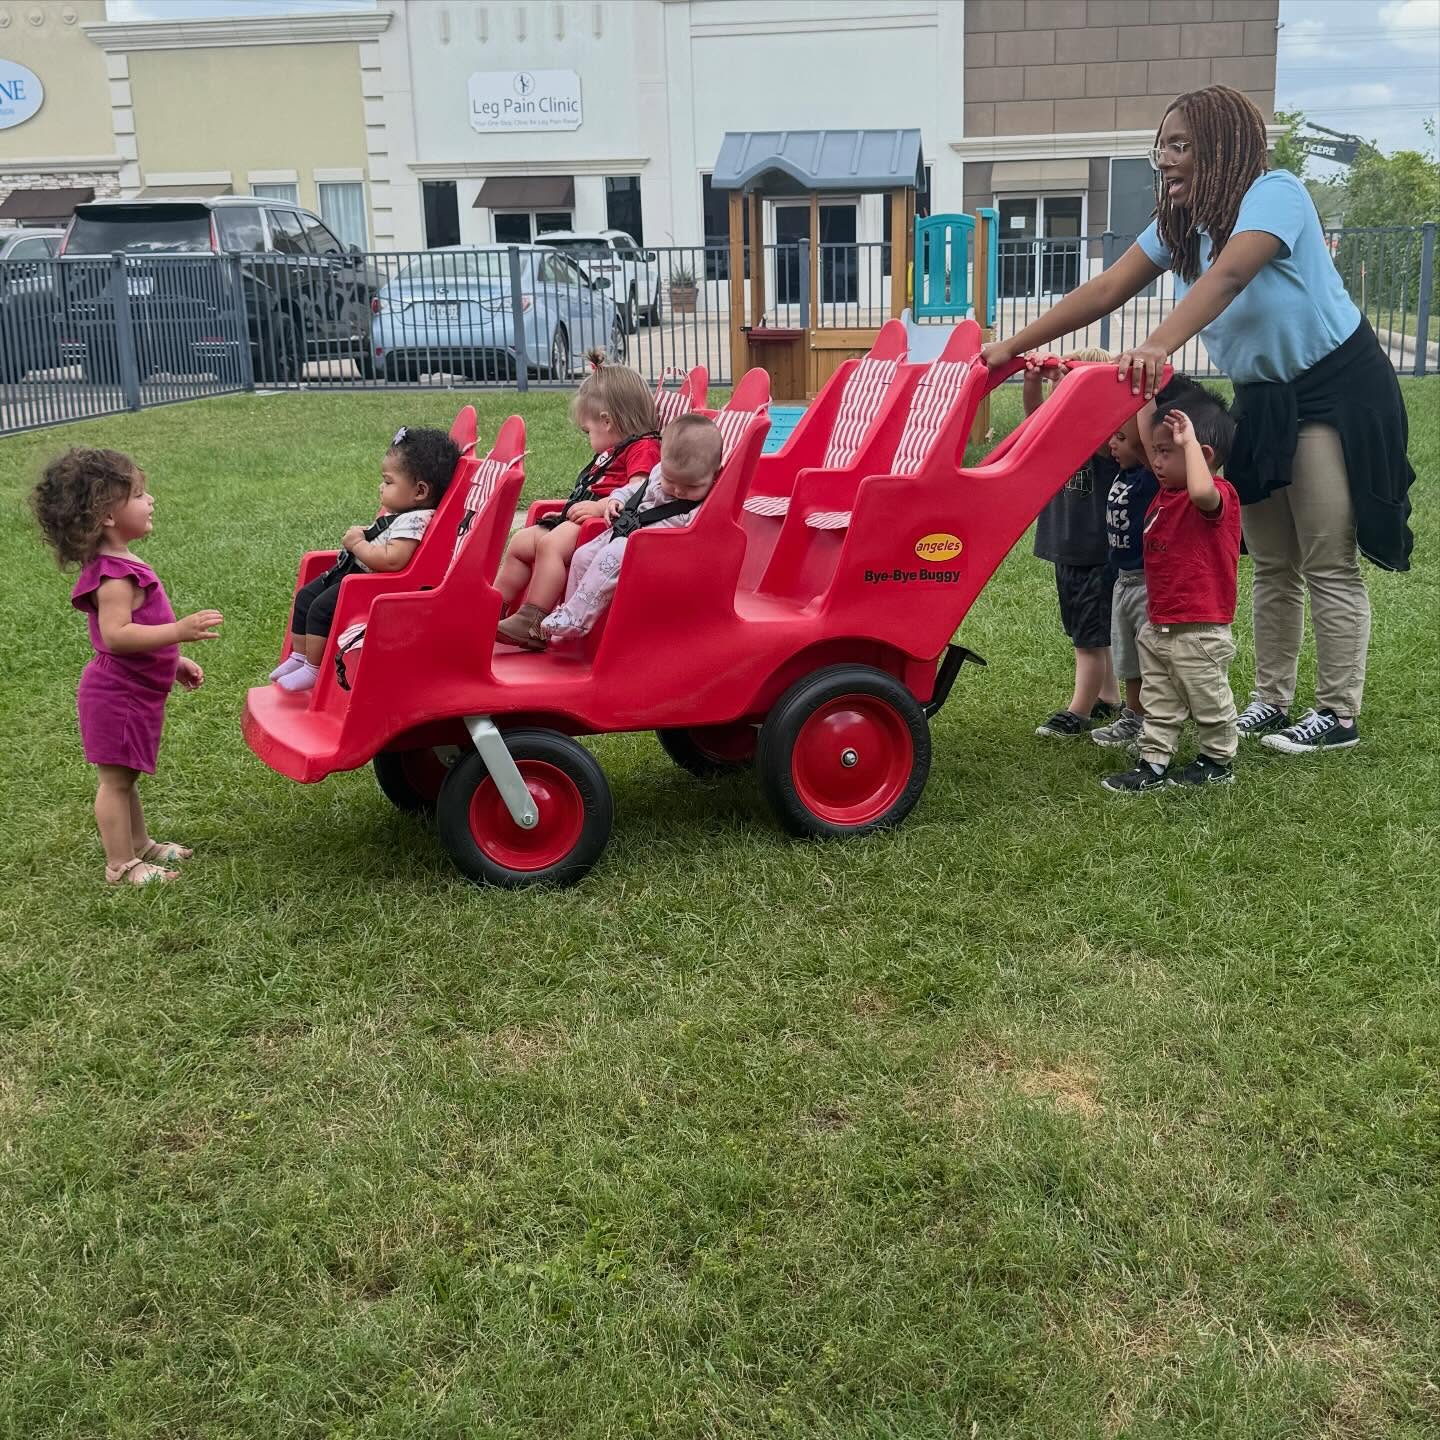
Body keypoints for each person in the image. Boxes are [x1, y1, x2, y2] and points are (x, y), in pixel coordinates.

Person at [981, 84, 1414, 755]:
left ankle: (1338, 714)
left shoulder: (1276, 193)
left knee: (1325, 553)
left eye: (1181, 145)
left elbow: (1234, 275)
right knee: (1271, 558)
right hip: (1265, 395)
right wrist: (1011, 347)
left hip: (1336, 387)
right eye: (1165, 146)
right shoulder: (1183, 226)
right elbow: (1104, 289)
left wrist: (1159, 344)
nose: (1167, 159)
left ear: (1222, 147)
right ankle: (1271, 701)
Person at [31, 448, 223, 886]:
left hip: (133, 691)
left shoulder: (122, 563)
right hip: (117, 694)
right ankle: (121, 865)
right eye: (138, 493)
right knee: (115, 782)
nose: (150, 499)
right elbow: (117, 635)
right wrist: (178, 631)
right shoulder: (114, 575)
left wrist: (173, 661)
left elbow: (140, 630)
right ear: (107, 514)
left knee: (127, 775)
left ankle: (141, 845)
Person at [1101, 394, 1241, 792]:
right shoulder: (1165, 494)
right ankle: (1154, 762)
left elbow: (1202, 493)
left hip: (1200, 630)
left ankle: (1217, 759)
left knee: (1208, 699)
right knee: (1158, 700)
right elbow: (1146, 441)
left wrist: (1189, 444)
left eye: (1165, 452)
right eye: (1155, 452)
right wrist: (1143, 394)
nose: (1155, 461)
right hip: (1158, 622)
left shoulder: (1218, 495)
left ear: (1202, 452)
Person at [499, 413, 723, 651]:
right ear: (662, 464)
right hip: (626, 529)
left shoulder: (708, 502)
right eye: (670, 480)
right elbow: (635, 490)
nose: (678, 490)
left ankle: (576, 619)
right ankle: (569, 612)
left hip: (656, 548)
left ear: (715, 474)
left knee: (614, 553)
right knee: (582, 556)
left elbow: (700, 537)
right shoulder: (659, 473)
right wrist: (615, 500)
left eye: (691, 486)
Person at [272, 425, 459, 693]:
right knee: (305, 597)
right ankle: (298, 657)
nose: (380, 487)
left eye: (388, 481)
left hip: (373, 585)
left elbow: (393, 560)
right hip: (356, 575)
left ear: (419, 491)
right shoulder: (402, 513)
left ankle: (313, 669)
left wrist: (358, 544)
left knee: (320, 609)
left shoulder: (415, 519)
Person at [494, 349, 660, 631]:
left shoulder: (643, 447)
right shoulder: (615, 448)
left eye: (588, 430)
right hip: (583, 519)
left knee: (550, 546)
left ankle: (533, 620)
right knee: (522, 542)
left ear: (607, 421)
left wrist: (598, 506)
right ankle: (491, 609)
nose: (588, 437)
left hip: (606, 526)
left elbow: (639, 491)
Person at [1091, 374, 1207, 751]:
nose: (1113, 444)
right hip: (1122, 581)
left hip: (1147, 583)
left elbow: (1143, 435)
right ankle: (1134, 715)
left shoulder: (1152, 475)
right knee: (1127, 657)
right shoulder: (1118, 470)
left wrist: (1143, 393)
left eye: (1120, 439)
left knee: (1151, 657)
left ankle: (1158, 720)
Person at [1023, 349, 1123, 739]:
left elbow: (1084, 427)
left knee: (1088, 639)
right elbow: (1037, 420)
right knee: (1092, 633)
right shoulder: (1065, 434)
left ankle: (1078, 712)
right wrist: (1034, 384)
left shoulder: (1106, 438)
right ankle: (1110, 697)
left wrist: (1071, 393)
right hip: (1069, 550)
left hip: (1094, 554)